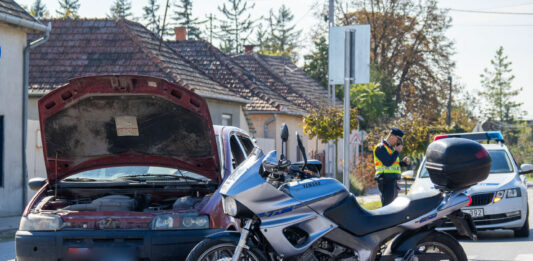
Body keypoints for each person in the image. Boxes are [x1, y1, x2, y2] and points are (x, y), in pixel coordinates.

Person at [373, 127, 410, 206]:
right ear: (392, 137)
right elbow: (387, 162)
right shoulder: (380, 148)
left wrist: (403, 163)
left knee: (393, 207)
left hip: (392, 181)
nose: (398, 143)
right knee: (388, 207)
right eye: (398, 140)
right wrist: (397, 152)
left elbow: (393, 164)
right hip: (385, 181)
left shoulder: (391, 149)